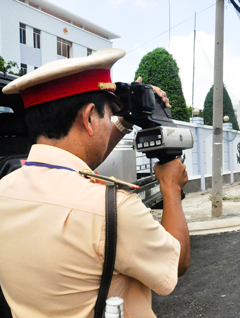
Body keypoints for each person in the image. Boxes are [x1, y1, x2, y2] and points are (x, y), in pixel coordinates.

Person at [0, 49, 190, 317]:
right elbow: (177, 260)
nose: (110, 123)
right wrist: (171, 187)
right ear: (89, 117)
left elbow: (74, 168)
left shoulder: (6, 190)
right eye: (108, 117)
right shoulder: (113, 209)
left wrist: (123, 122)